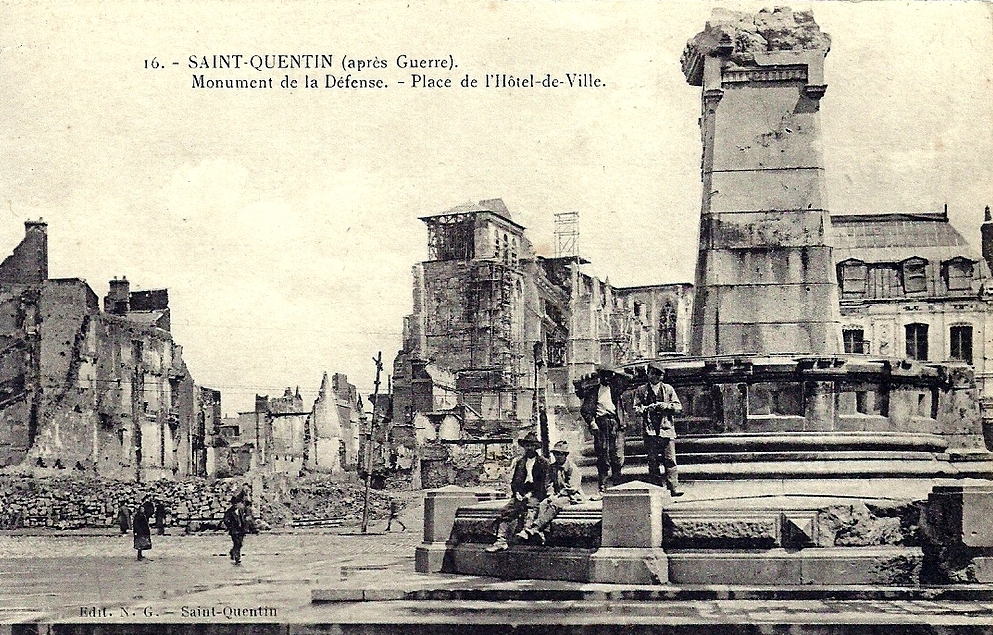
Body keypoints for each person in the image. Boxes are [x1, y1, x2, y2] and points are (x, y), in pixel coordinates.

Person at [486, 431, 550, 552]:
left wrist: (531, 494)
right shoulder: (520, 462)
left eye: (531, 445)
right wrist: (517, 493)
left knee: (532, 507)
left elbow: (543, 483)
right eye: (527, 445)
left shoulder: (543, 462)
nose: (529, 448)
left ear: (536, 447)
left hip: (536, 493)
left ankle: (526, 532)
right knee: (507, 510)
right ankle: (501, 541)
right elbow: (515, 482)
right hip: (522, 492)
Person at [515, 440, 585, 544]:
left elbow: (573, 487)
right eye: (555, 454)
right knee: (543, 504)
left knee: (555, 504)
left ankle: (534, 528)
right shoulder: (552, 467)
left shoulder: (572, 468)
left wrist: (559, 495)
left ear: (565, 455)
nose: (557, 456)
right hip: (556, 495)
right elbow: (549, 483)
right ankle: (543, 532)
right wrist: (551, 494)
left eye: (560, 454)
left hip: (571, 496)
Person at [633, 364, 684, 497]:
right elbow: (636, 408)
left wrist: (666, 406)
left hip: (666, 429)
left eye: (658, 374)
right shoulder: (641, 390)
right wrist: (645, 409)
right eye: (652, 373)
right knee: (653, 461)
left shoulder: (668, 389)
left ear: (662, 376)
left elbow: (678, 407)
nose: (655, 377)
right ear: (648, 374)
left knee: (670, 460)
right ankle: (656, 488)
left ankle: (673, 487)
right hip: (650, 430)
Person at [580, 365, 627, 498]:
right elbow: (585, 410)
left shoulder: (616, 389)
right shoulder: (593, 391)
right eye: (603, 375)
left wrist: (615, 372)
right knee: (603, 457)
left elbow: (628, 379)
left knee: (617, 457)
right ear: (599, 377)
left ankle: (618, 486)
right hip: (601, 425)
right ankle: (602, 488)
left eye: (608, 375)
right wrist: (592, 422)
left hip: (616, 424)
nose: (606, 378)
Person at [223, 495, 248, 564]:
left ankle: (232, 552)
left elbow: (245, 519)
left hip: (241, 530)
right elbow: (225, 519)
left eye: (237, 503)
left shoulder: (242, 511)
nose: (235, 505)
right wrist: (230, 526)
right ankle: (237, 557)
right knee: (237, 543)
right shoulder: (229, 511)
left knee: (240, 544)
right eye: (234, 503)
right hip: (234, 530)